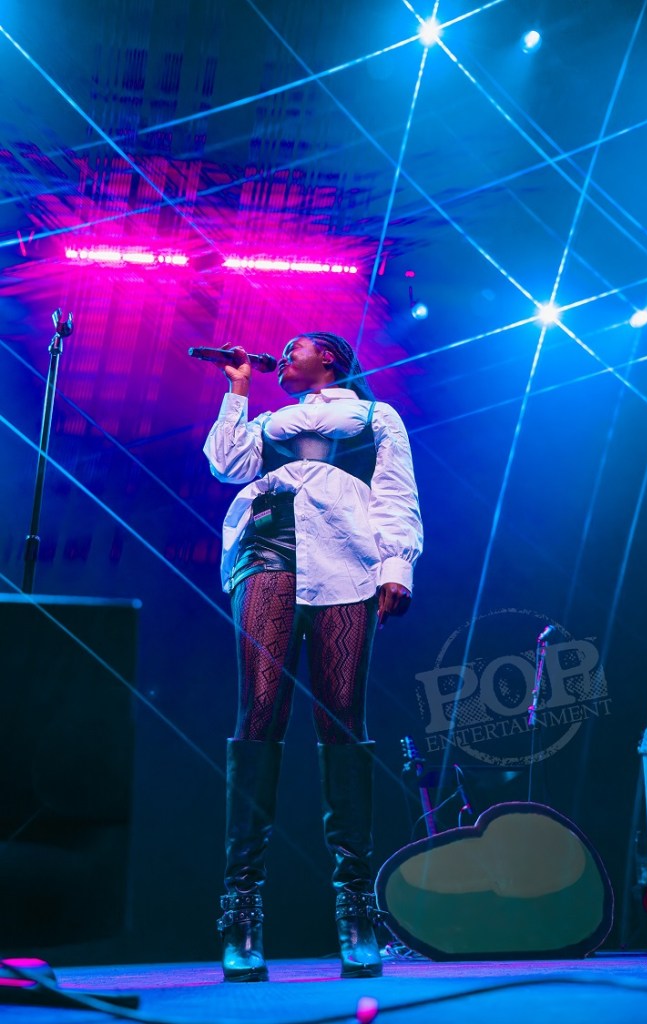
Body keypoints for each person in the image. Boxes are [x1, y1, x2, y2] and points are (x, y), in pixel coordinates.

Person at [203, 331, 423, 982]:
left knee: (342, 720)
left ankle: (356, 912)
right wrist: (238, 389)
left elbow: (396, 493)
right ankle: (241, 911)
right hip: (266, 553)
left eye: (293, 346)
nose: (282, 355)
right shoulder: (270, 420)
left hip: (347, 563)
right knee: (259, 714)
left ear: (329, 357)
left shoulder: (374, 416)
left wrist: (397, 567)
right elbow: (225, 463)